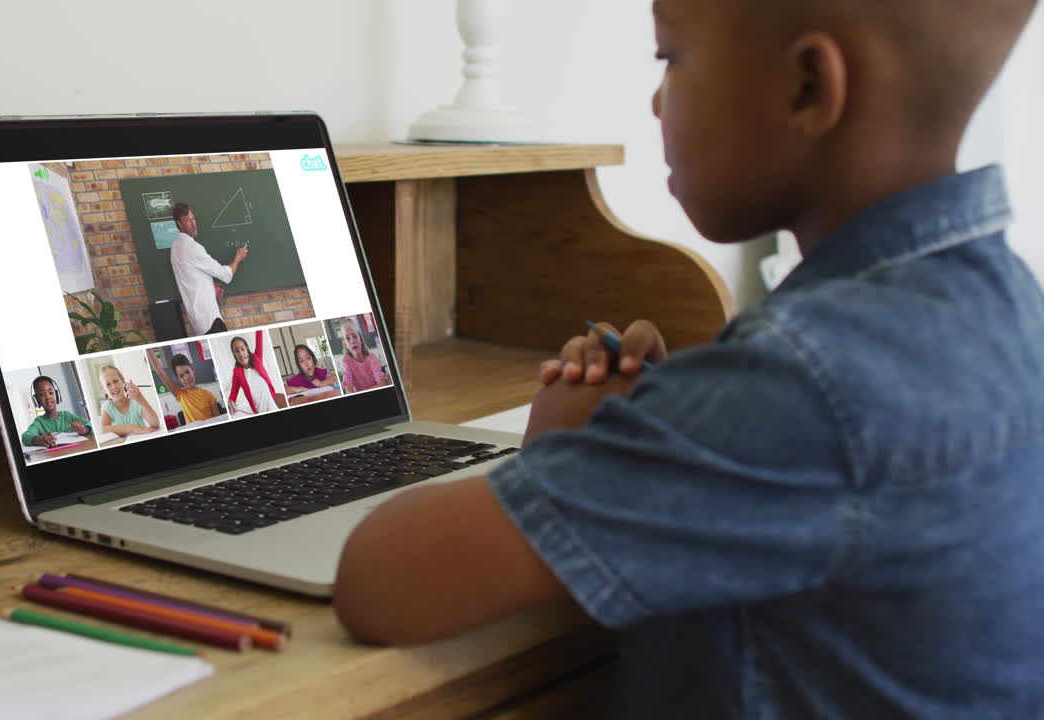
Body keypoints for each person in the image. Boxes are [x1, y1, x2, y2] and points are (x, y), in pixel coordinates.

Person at [333, 1, 1044, 717]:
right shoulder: (1011, 308)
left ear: (806, 86)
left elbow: (380, 581)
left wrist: (576, 449)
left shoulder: (799, 383)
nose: (654, 100)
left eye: (669, 59)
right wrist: (675, 420)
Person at [170, 203, 248, 336]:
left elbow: (191, 278)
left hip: (198, 320)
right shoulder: (193, 248)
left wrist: (210, 287)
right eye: (187, 221)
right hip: (210, 319)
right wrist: (238, 258)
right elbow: (225, 275)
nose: (193, 224)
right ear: (179, 223)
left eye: (193, 219)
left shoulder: (175, 248)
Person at [146, 348, 222, 425]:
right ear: (178, 379)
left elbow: (218, 420)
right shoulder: (180, 394)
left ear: (192, 370)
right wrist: (149, 350)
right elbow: (160, 372)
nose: (186, 377)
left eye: (187, 372)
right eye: (181, 376)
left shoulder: (209, 395)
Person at [21, 375, 92, 447]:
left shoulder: (67, 416)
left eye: (51, 393)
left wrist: (84, 429)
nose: (48, 397)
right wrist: (39, 439)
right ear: (36, 400)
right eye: (42, 394)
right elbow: (25, 437)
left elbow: (90, 424)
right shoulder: (39, 422)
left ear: (57, 395)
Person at [227, 329, 281, 415]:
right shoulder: (237, 372)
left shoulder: (257, 358)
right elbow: (233, 392)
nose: (241, 353)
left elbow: (259, 334)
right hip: (258, 410)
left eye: (242, 349)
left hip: (270, 403)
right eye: (237, 351)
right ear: (234, 355)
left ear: (247, 349)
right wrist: (230, 401)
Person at [96, 364, 159, 438]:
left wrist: (140, 398)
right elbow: (104, 430)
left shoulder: (135, 401)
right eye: (108, 384)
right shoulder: (107, 406)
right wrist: (132, 428)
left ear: (123, 382)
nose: (113, 387)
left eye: (116, 381)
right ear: (104, 390)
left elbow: (155, 424)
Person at [337, 317, 389, 394]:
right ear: (345, 344)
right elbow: (349, 391)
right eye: (348, 338)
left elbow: (382, 384)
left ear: (360, 339)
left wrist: (358, 392)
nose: (352, 341)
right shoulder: (346, 361)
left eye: (355, 336)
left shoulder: (372, 358)